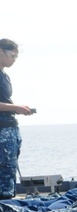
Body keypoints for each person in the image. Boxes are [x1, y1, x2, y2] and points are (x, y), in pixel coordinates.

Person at [0, 39, 35, 200]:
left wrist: (19, 109)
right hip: (2, 130)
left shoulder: (4, 76)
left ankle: (7, 205)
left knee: (9, 168)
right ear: (1, 52)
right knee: (4, 169)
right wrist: (15, 108)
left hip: (10, 128)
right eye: (12, 55)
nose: (14, 60)